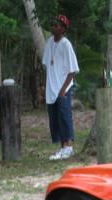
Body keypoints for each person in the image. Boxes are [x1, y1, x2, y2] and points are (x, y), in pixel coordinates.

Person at [42, 15, 79, 160]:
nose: (54, 27)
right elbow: (47, 64)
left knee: (64, 116)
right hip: (52, 86)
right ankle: (62, 148)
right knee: (55, 118)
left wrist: (63, 89)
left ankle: (68, 147)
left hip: (63, 87)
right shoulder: (49, 42)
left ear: (63, 29)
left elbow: (72, 70)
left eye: (57, 25)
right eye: (53, 24)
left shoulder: (66, 45)